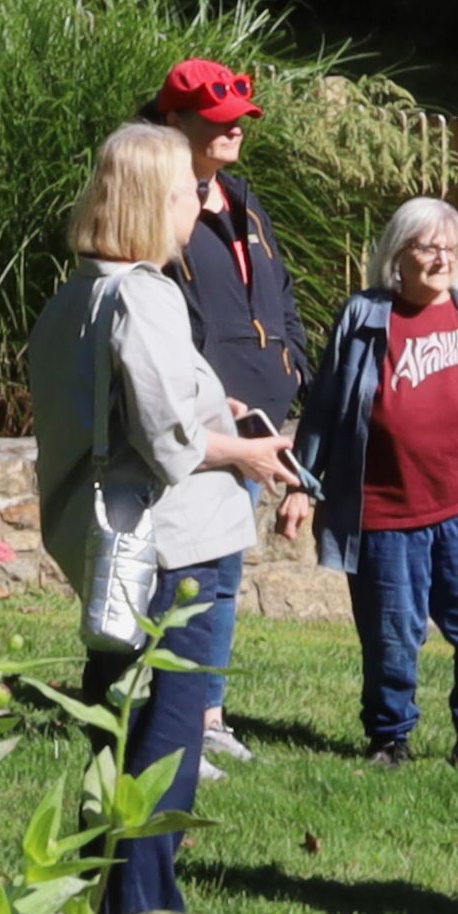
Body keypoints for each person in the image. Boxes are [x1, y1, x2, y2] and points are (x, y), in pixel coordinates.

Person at [27, 121, 296, 914]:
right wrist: (247, 448)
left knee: (117, 736)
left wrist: (221, 411)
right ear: (154, 200)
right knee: (161, 756)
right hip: (172, 552)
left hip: (120, 550)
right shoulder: (143, 294)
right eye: (186, 191)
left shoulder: (77, 291)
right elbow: (167, 437)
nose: (198, 203)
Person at [309, 198, 458, 769]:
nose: (441, 258)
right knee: (391, 639)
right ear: (398, 254)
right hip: (385, 513)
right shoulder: (364, 317)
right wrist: (302, 483)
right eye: (427, 247)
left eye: (450, 247)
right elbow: (325, 406)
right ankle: (391, 740)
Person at [148, 57, 315, 765]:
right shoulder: (156, 205)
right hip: (197, 420)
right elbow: (159, 316)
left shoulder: (241, 201)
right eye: (216, 121)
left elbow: (279, 295)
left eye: (239, 120)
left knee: (221, 573)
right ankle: (169, 721)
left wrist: (292, 365)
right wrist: (212, 397)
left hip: (256, 426)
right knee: (182, 575)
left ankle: (205, 714)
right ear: (173, 121)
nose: (232, 131)